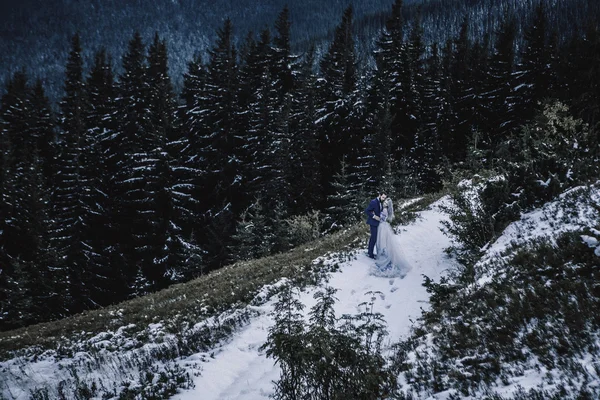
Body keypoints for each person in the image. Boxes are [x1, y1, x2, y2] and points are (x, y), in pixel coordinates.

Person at [373, 198, 411, 278]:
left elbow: (381, 218)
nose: (384, 203)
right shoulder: (384, 209)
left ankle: (384, 257)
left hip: (382, 227)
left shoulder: (385, 210)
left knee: (382, 241)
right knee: (384, 242)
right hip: (383, 226)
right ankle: (384, 255)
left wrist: (375, 216)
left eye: (385, 202)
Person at [365, 192, 386, 259]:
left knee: (376, 238)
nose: (383, 199)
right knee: (373, 238)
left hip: (378, 223)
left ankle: (372, 252)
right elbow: (367, 211)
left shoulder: (381, 202)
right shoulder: (373, 202)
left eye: (384, 198)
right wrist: (374, 216)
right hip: (373, 222)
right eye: (382, 197)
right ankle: (370, 253)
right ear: (379, 195)